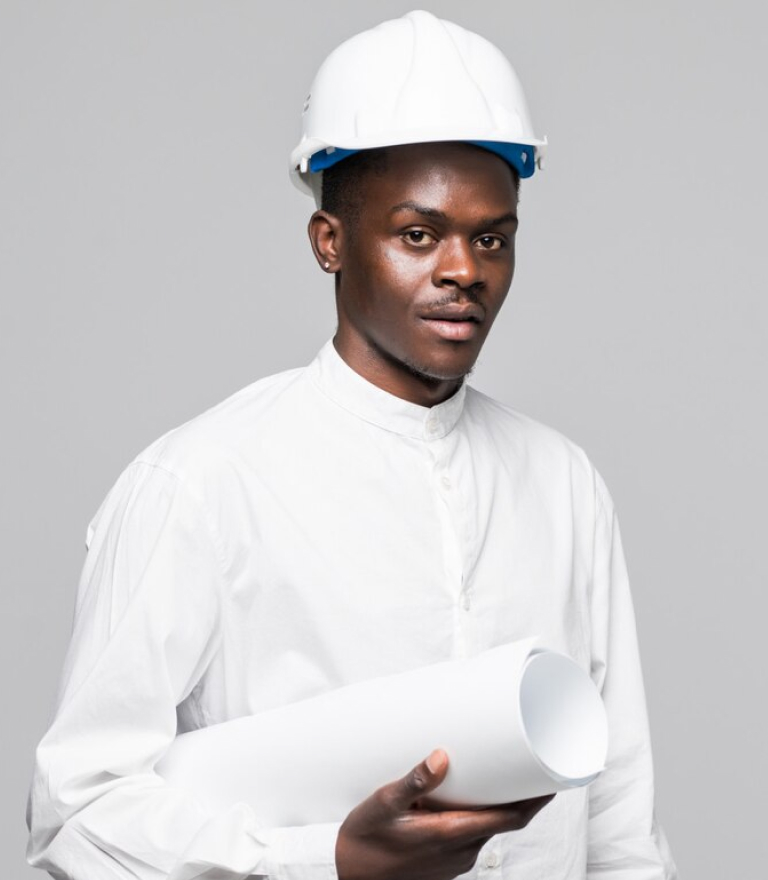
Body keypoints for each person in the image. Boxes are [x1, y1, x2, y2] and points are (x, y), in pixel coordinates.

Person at [27, 10, 677, 880]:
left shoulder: (563, 484)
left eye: (492, 238)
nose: (464, 270)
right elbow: (77, 816)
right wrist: (326, 860)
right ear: (330, 243)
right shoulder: (202, 483)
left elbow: (620, 825)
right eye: (419, 235)